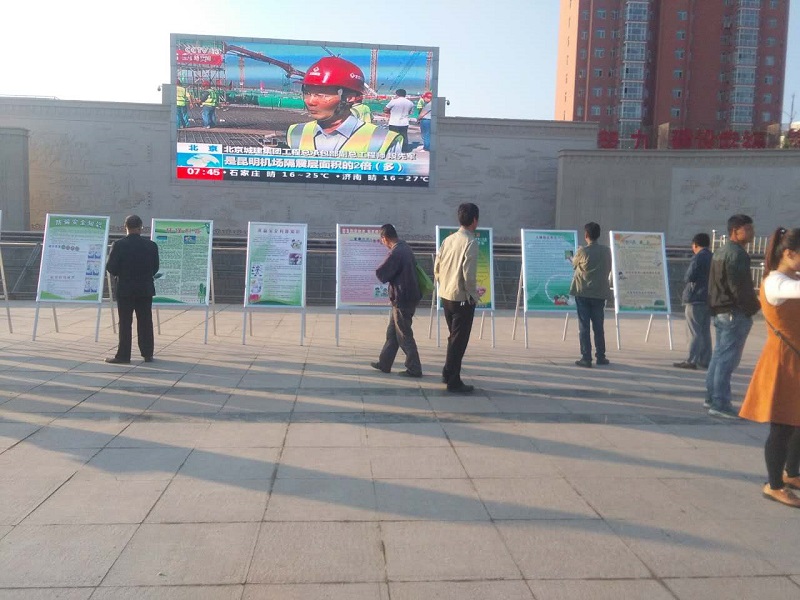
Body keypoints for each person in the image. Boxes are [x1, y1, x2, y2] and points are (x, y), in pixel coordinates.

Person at [739, 227, 800, 507]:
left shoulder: (791, 278)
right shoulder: (775, 282)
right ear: (789, 253)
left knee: (796, 422)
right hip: (783, 361)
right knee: (782, 426)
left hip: (794, 358)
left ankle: (791, 473)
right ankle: (774, 485)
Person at [705, 214, 761, 418]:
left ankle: (711, 397)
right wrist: (752, 307)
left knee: (719, 357)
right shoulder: (737, 254)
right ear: (735, 231)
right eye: (748, 229)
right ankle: (720, 403)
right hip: (733, 312)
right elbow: (740, 288)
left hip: (721, 310)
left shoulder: (720, 251)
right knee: (727, 360)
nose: (752, 232)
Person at [287, 57, 402, 155]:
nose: (310, 101)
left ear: (350, 97)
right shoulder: (296, 132)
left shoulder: (382, 140)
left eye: (321, 95)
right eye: (307, 93)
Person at [434, 203, 480, 393]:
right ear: (475, 220)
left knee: (453, 337)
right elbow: (468, 275)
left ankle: (447, 372)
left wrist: (444, 284)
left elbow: (437, 267)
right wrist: (473, 295)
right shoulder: (471, 242)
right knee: (459, 341)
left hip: (446, 295)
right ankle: (453, 380)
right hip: (462, 298)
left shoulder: (448, 239)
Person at [105, 215, 160, 364]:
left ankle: (123, 355)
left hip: (125, 289)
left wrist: (122, 274)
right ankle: (147, 354)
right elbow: (155, 267)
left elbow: (111, 267)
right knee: (145, 321)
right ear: (141, 227)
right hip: (145, 288)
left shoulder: (118, 245)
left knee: (125, 322)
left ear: (126, 227)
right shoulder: (151, 245)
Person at [370, 224, 423, 378]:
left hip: (402, 298)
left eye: (382, 240)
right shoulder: (405, 247)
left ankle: (414, 368)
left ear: (385, 238)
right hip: (408, 296)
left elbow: (382, 273)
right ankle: (384, 363)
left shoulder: (396, 252)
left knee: (404, 334)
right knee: (392, 333)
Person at [569, 222, 612, 367]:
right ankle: (601, 356)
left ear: (586, 235)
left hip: (583, 293)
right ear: (598, 234)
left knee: (584, 326)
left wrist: (576, 253)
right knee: (599, 326)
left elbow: (574, 264)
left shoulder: (583, 251)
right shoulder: (606, 251)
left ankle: (586, 357)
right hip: (600, 293)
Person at [674, 233, 713, 370]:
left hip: (695, 297)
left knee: (694, 331)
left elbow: (689, 276)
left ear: (695, 245)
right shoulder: (713, 256)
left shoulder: (698, 257)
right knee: (705, 331)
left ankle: (692, 360)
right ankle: (705, 360)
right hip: (708, 298)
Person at [383, 88, 415, 152]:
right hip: (404, 123)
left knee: (392, 137)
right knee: (404, 136)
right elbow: (410, 113)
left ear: (397, 94)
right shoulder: (410, 103)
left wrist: (390, 112)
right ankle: (404, 150)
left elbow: (385, 109)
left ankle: (392, 149)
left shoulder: (393, 101)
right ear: (405, 95)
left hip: (394, 122)